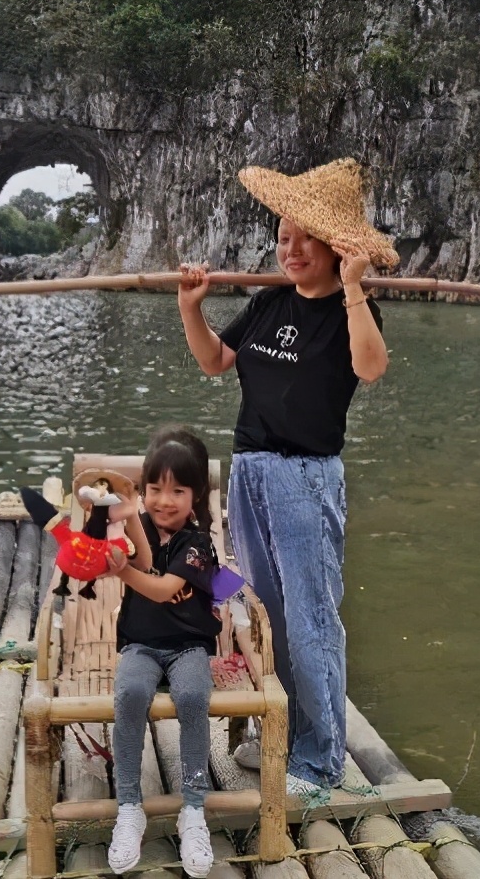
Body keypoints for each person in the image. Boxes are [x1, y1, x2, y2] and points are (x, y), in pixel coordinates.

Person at [175, 158, 395, 795]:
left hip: (306, 478)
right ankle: (296, 740)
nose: (290, 248)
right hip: (250, 473)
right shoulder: (269, 303)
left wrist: (355, 288)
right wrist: (193, 308)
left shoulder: (353, 312)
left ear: (336, 249)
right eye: (283, 235)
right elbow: (217, 361)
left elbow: (372, 368)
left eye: (305, 237)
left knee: (312, 620)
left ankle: (322, 762)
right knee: (268, 614)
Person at [103, 426, 221, 877]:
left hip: (188, 647)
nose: (164, 500)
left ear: (196, 497)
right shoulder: (142, 528)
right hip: (140, 645)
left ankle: (193, 809)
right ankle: (129, 806)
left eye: (177, 490)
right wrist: (129, 510)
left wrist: (123, 574)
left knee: (193, 697)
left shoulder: (197, 545)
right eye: (154, 489)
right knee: (130, 694)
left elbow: (160, 586)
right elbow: (141, 548)